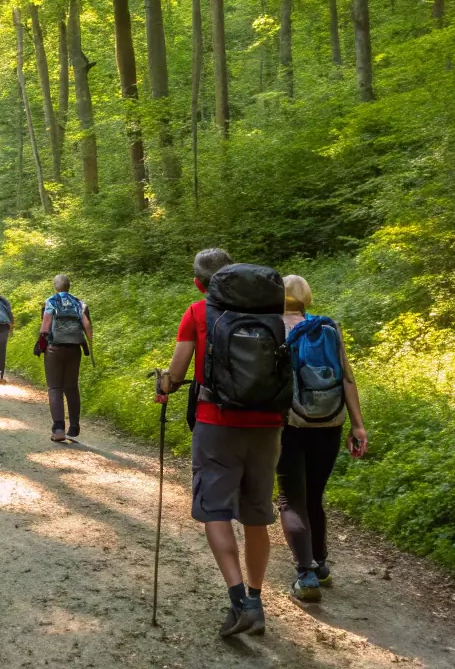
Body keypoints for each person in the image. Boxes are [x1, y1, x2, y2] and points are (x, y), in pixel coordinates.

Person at [160, 248, 282, 638]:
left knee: (215, 509)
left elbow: (177, 373)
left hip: (217, 423)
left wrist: (164, 384)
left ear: (198, 282)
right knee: (256, 513)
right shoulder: (273, 314)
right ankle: (257, 599)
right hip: (268, 424)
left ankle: (238, 602)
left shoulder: (197, 313)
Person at [275, 274, 368, 602]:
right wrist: (358, 425)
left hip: (289, 423)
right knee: (315, 495)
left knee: (290, 498)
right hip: (330, 423)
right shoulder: (328, 328)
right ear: (307, 297)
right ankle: (322, 563)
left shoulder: (272, 328)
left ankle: (306, 575)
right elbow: (347, 378)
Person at [39, 273, 91, 442]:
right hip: (75, 348)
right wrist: (88, 346)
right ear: (69, 286)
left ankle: (59, 429)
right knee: (71, 387)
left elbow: (46, 325)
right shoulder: (79, 303)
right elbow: (87, 326)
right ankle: (74, 426)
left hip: (55, 349)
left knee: (55, 388)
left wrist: (41, 344)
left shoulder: (51, 301)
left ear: (56, 286)